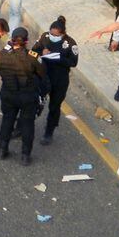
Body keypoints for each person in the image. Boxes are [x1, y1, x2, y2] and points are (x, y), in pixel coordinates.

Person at [0, 26, 46, 163]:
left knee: (7, 121)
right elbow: (42, 74)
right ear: (27, 42)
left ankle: (2, 150)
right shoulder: (33, 57)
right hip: (27, 96)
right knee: (27, 124)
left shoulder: (3, 55)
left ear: (11, 40)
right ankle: (25, 156)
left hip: (8, 94)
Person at [34, 16, 80, 145]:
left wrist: (58, 58)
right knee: (34, 102)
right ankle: (23, 126)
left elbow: (73, 62)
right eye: (51, 33)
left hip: (59, 80)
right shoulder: (44, 37)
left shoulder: (70, 43)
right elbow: (33, 51)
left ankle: (49, 131)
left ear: (63, 34)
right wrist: (41, 52)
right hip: (43, 77)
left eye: (56, 35)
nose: (53, 36)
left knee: (54, 106)